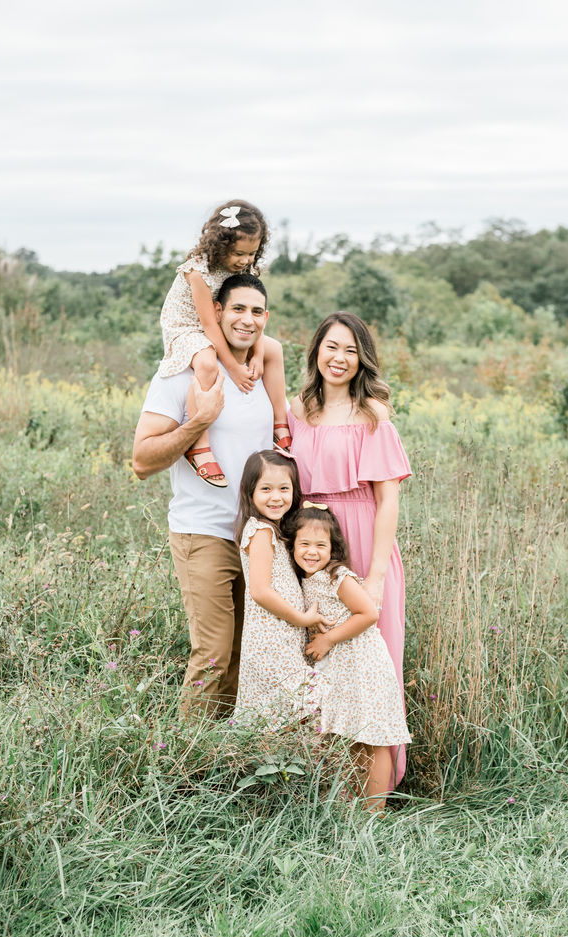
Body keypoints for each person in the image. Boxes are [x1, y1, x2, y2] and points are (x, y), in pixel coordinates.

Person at [132, 273, 274, 716]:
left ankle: (223, 762)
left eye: (255, 311)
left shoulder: (264, 369)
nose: (246, 321)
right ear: (215, 312)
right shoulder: (183, 371)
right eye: (236, 309)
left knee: (245, 656)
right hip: (204, 532)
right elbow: (141, 460)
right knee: (212, 655)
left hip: (258, 538)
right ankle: (183, 770)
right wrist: (198, 422)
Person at [287, 311, 412, 784]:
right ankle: (322, 781)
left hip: (361, 537)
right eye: (331, 346)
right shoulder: (296, 411)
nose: (338, 358)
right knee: (314, 654)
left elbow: (387, 502)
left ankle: (380, 782)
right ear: (316, 349)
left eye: (350, 350)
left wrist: (375, 578)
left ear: (363, 361)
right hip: (311, 543)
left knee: (375, 660)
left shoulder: (372, 417)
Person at [158, 199, 291, 488]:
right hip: (188, 326)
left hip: (222, 324)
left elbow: (253, 312)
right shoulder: (198, 271)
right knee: (206, 361)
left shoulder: (245, 268)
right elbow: (207, 324)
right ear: (220, 245)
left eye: (252, 254)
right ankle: (199, 445)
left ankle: (280, 424)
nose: (244, 261)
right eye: (238, 253)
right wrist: (232, 368)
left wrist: (257, 353)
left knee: (275, 349)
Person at [289, 504, 411, 810]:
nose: (312, 552)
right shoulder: (304, 579)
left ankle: (375, 814)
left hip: (362, 662)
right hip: (342, 667)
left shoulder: (337, 577)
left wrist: (329, 638)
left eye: (321, 545)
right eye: (304, 544)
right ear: (292, 545)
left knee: (375, 737)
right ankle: (355, 807)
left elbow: (368, 613)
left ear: (334, 548)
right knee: (353, 735)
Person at [233, 450, 330, 725]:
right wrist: (302, 618)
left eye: (284, 489)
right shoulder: (260, 531)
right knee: (305, 700)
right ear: (249, 491)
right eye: (266, 489)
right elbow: (260, 591)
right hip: (269, 644)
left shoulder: (275, 530)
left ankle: (281, 765)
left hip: (282, 639)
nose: (276, 497)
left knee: (283, 714)